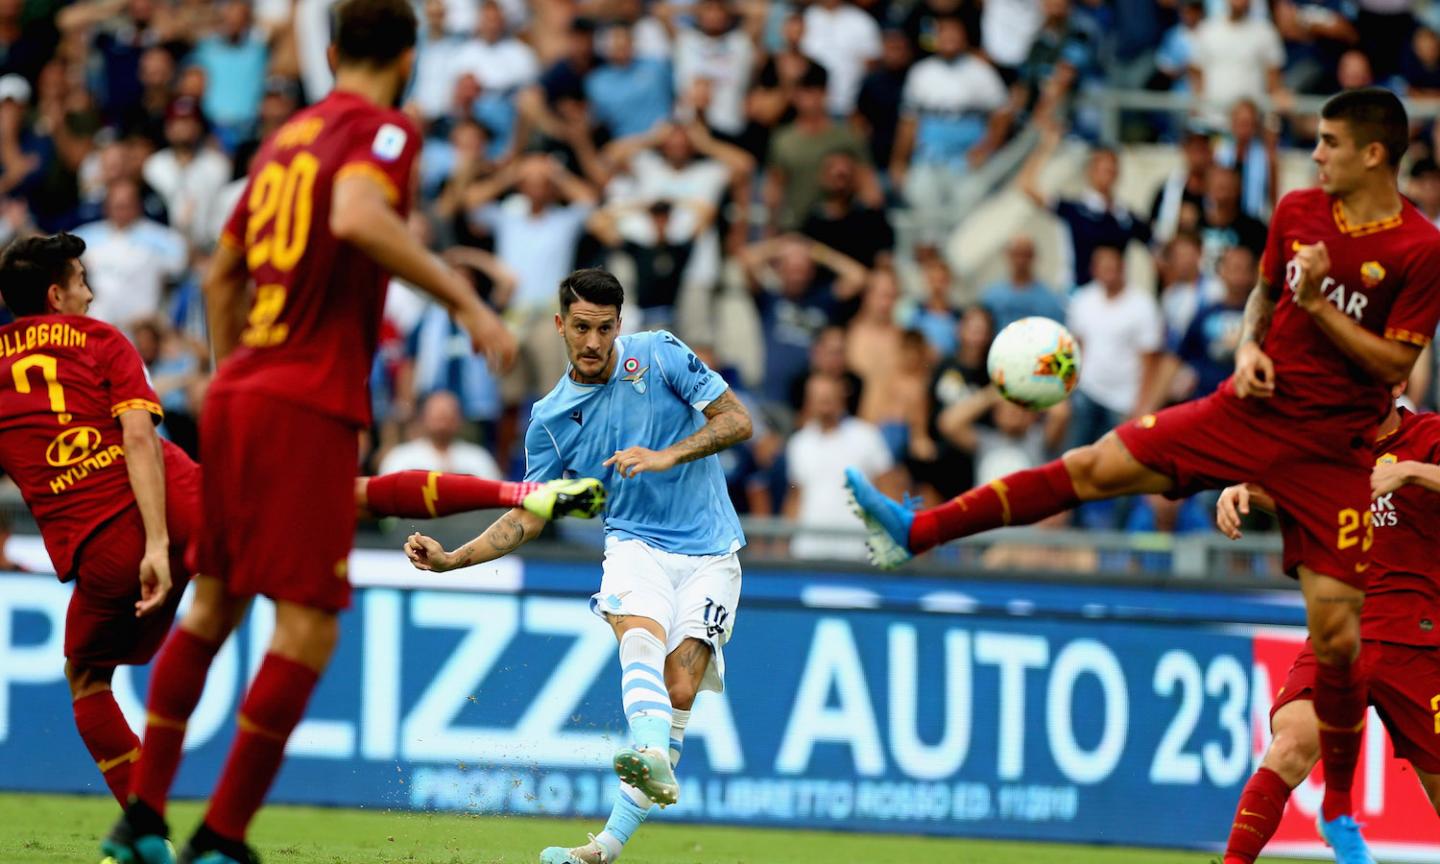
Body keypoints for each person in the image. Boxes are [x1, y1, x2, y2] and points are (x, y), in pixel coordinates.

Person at [847, 89, 1440, 863]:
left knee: (1335, 641)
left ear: (1373, 153)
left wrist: (1319, 306)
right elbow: (1263, 296)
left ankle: (1337, 812)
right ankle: (916, 531)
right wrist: (1248, 349)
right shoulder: (1297, 210)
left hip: (1333, 453)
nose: (1316, 154)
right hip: (1250, 414)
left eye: (1329, 142)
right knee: (1092, 467)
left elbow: (1398, 361)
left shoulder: (1420, 249)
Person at [99, 4, 599, 863]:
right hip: (307, 400)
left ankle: (141, 818)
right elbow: (358, 220)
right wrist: (467, 300)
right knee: (309, 628)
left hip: (243, 392)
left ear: (331, 53)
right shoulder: (387, 131)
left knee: (214, 604)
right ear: (409, 56)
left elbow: (222, 274)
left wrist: (231, 377)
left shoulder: (286, 139)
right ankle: (219, 836)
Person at [0, 234, 589, 837]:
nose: (91, 292)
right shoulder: (102, 339)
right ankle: (516, 492)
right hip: (189, 501)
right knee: (341, 507)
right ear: (55, 293)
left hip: (98, 544)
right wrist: (158, 542)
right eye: (79, 279)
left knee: (91, 677)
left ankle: (145, 826)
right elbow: (140, 436)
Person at [404, 269, 754, 864]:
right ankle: (648, 752)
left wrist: (667, 455)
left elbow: (737, 421)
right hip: (635, 544)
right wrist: (453, 560)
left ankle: (604, 848)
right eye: (582, 328)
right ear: (560, 325)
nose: (594, 342)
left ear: (621, 325)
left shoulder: (661, 355)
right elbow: (529, 517)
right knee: (639, 639)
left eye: (606, 328)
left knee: (679, 688)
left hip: (713, 552)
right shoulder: (547, 419)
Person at [1216, 388, 1440, 864]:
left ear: (1396, 386)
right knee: (1290, 743)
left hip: (1421, 640)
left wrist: (1411, 472)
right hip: (1344, 630)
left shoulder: (1429, 436)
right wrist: (1244, 490)